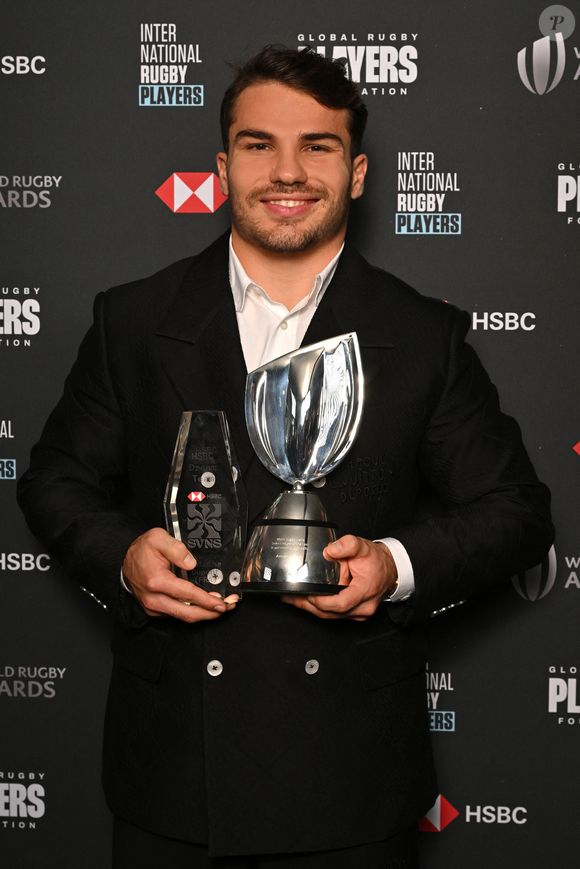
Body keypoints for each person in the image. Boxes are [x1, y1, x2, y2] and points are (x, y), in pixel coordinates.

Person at [17, 46, 553, 868]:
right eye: (260, 144)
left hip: (349, 775)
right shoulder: (132, 317)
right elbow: (56, 480)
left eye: (319, 145)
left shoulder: (422, 335)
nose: (288, 171)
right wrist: (124, 558)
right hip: (176, 774)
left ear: (360, 171)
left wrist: (392, 565)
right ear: (224, 166)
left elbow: (517, 511)